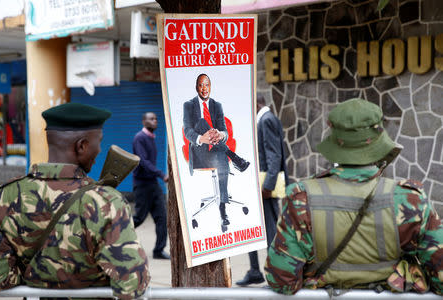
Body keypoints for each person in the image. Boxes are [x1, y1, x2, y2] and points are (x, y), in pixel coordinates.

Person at [265, 98, 443, 295]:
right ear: (379, 141)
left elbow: (281, 281)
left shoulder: (302, 199)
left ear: (335, 142)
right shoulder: (411, 200)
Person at [0, 103, 150, 300]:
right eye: (98, 142)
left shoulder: (3, 197)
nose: (100, 150)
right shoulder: (106, 202)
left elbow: (0, 280)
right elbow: (133, 283)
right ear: (82, 146)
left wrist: (41, 279)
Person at [183, 73, 250, 226]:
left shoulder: (217, 105)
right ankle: (233, 156)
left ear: (210, 87)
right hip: (200, 151)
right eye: (201, 85)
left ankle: (222, 207)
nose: (204, 88)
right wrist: (202, 138)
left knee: (221, 158)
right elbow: (187, 130)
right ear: (196, 87)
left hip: (217, 150)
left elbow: (224, 131)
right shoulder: (189, 105)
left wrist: (220, 134)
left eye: (206, 84)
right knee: (201, 123)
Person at [237, 94, 289, 286]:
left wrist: (268, 186)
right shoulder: (264, 119)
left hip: (264, 186)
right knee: (252, 228)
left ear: (256, 104)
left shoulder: (266, 120)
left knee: (270, 232)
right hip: (257, 184)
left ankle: (276, 273)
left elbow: (274, 156)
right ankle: (255, 271)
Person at [132, 112, 170, 260]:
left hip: (153, 184)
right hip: (142, 185)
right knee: (139, 218)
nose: (155, 121)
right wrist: (162, 174)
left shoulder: (150, 138)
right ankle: (115, 236)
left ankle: (158, 250)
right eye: (151, 119)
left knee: (162, 217)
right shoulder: (139, 138)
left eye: (156, 118)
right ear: (144, 121)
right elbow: (143, 161)